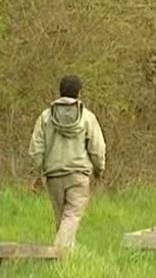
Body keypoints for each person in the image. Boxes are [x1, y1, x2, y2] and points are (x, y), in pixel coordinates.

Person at [28, 75, 106, 251]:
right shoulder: (87, 117)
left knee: (62, 220)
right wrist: (99, 169)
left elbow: (36, 148)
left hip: (53, 175)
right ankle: (58, 254)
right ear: (79, 93)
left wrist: (38, 171)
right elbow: (97, 147)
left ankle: (65, 262)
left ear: (60, 91)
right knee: (71, 217)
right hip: (78, 175)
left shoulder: (45, 117)